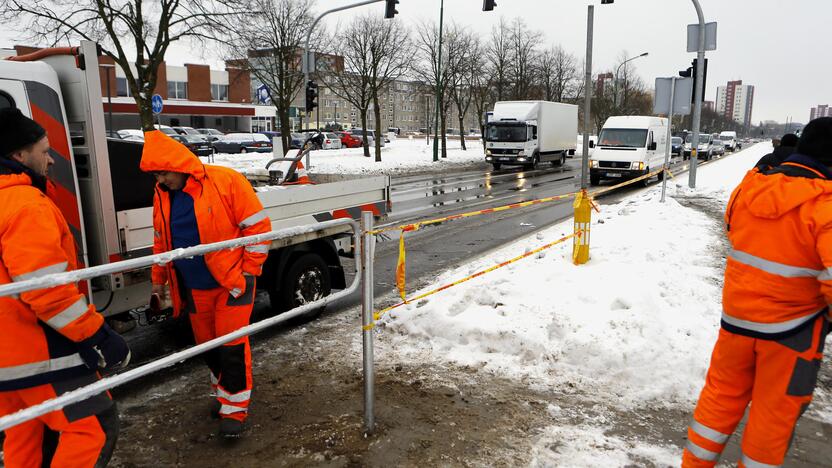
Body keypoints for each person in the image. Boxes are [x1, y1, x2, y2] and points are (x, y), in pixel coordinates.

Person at [682, 117, 832, 467]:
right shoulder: (825, 206)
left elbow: (733, 229)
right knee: (772, 415)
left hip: (737, 320)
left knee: (718, 400)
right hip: (792, 334)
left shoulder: (750, 186)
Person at [0, 108, 130, 466]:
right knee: (92, 427)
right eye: (44, 150)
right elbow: (48, 291)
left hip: (6, 357)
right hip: (36, 352)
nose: (51, 159)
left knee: (26, 436)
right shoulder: (25, 205)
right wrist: (98, 337)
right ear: (18, 155)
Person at [140, 130, 271, 438]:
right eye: (156, 174)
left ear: (178, 164)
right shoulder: (162, 194)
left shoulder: (225, 181)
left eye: (163, 172)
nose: (160, 179)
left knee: (231, 347)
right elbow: (161, 240)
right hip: (194, 286)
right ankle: (224, 394)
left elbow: (258, 227)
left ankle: (235, 410)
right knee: (207, 345)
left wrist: (248, 274)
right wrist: (158, 281)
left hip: (232, 283)